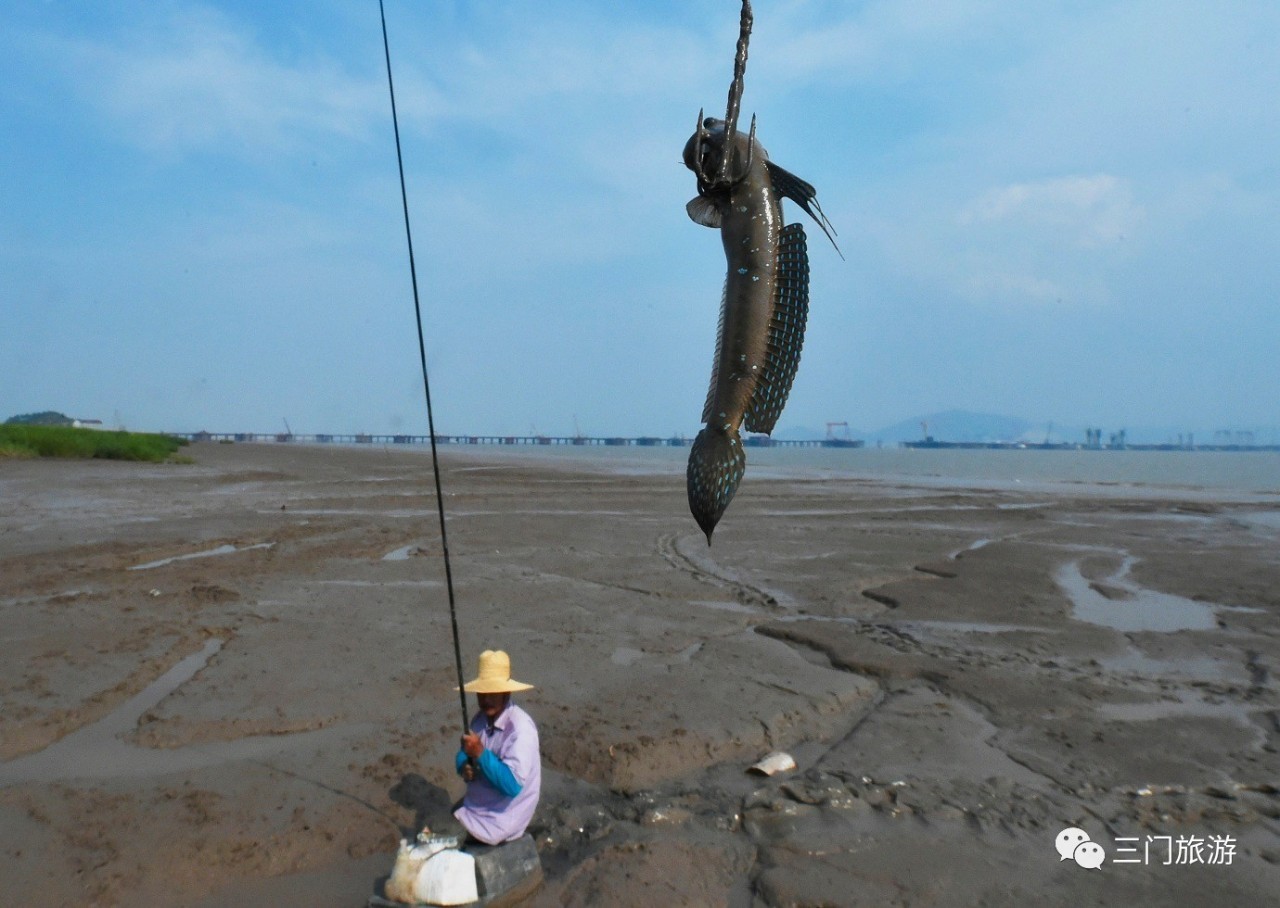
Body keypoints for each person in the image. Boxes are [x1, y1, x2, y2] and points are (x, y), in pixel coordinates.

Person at [452, 649, 541, 845]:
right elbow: (462, 754)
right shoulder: (480, 719)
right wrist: (464, 766)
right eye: (482, 693)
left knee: (438, 833)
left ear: (506, 692)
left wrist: (481, 754)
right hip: (479, 804)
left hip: (500, 819)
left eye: (493, 693)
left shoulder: (520, 729)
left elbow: (512, 785)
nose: (486, 700)